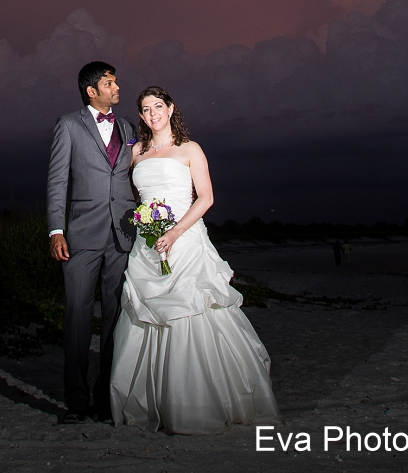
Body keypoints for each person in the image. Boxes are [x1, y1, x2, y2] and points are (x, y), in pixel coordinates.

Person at [109, 86, 280, 434]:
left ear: (170, 109)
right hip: (147, 243)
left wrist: (173, 233)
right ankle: (151, 403)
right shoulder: (136, 152)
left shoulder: (190, 149)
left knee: (191, 310)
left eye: (158, 106)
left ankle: (198, 403)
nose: (153, 113)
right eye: (145, 109)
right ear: (141, 116)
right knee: (146, 314)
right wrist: (148, 227)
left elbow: (205, 198)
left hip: (185, 240)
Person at [46, 60, 137, 423]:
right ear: (91, 91)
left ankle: (105, 398)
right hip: (81, 236)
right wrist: (56, 230)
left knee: (116, 318)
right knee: (78, 317)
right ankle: (76, 401)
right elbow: (57, 181)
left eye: (116, 81)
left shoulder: (129, 127)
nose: (117, 87)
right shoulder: (69, 125)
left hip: (124, 236)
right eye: (109, 82)